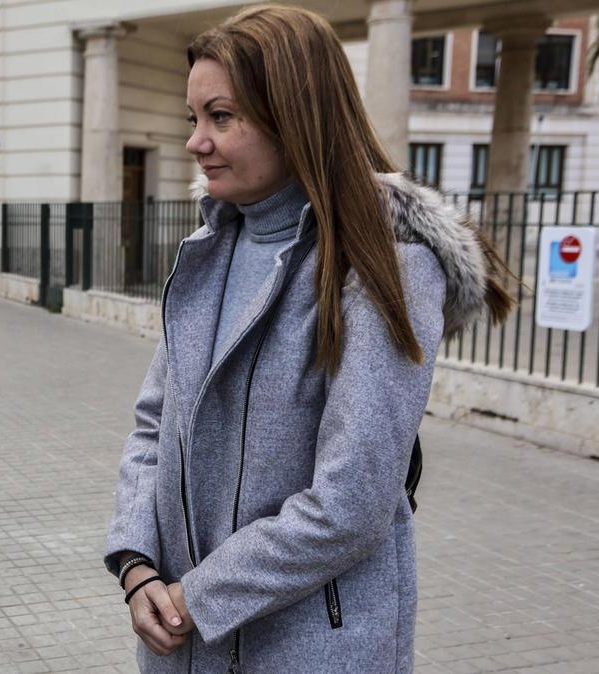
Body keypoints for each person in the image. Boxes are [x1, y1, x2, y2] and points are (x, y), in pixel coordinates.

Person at [105, 6, 513, 673]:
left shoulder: (385, 266)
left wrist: (198, 595)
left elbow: (350, 504)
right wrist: (135, 564)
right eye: (193, 118)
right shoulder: (209, 253)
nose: (195, 143)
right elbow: (153, 426)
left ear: (293, 114)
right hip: (186, 645)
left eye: (222, 117)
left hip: (310, 651)